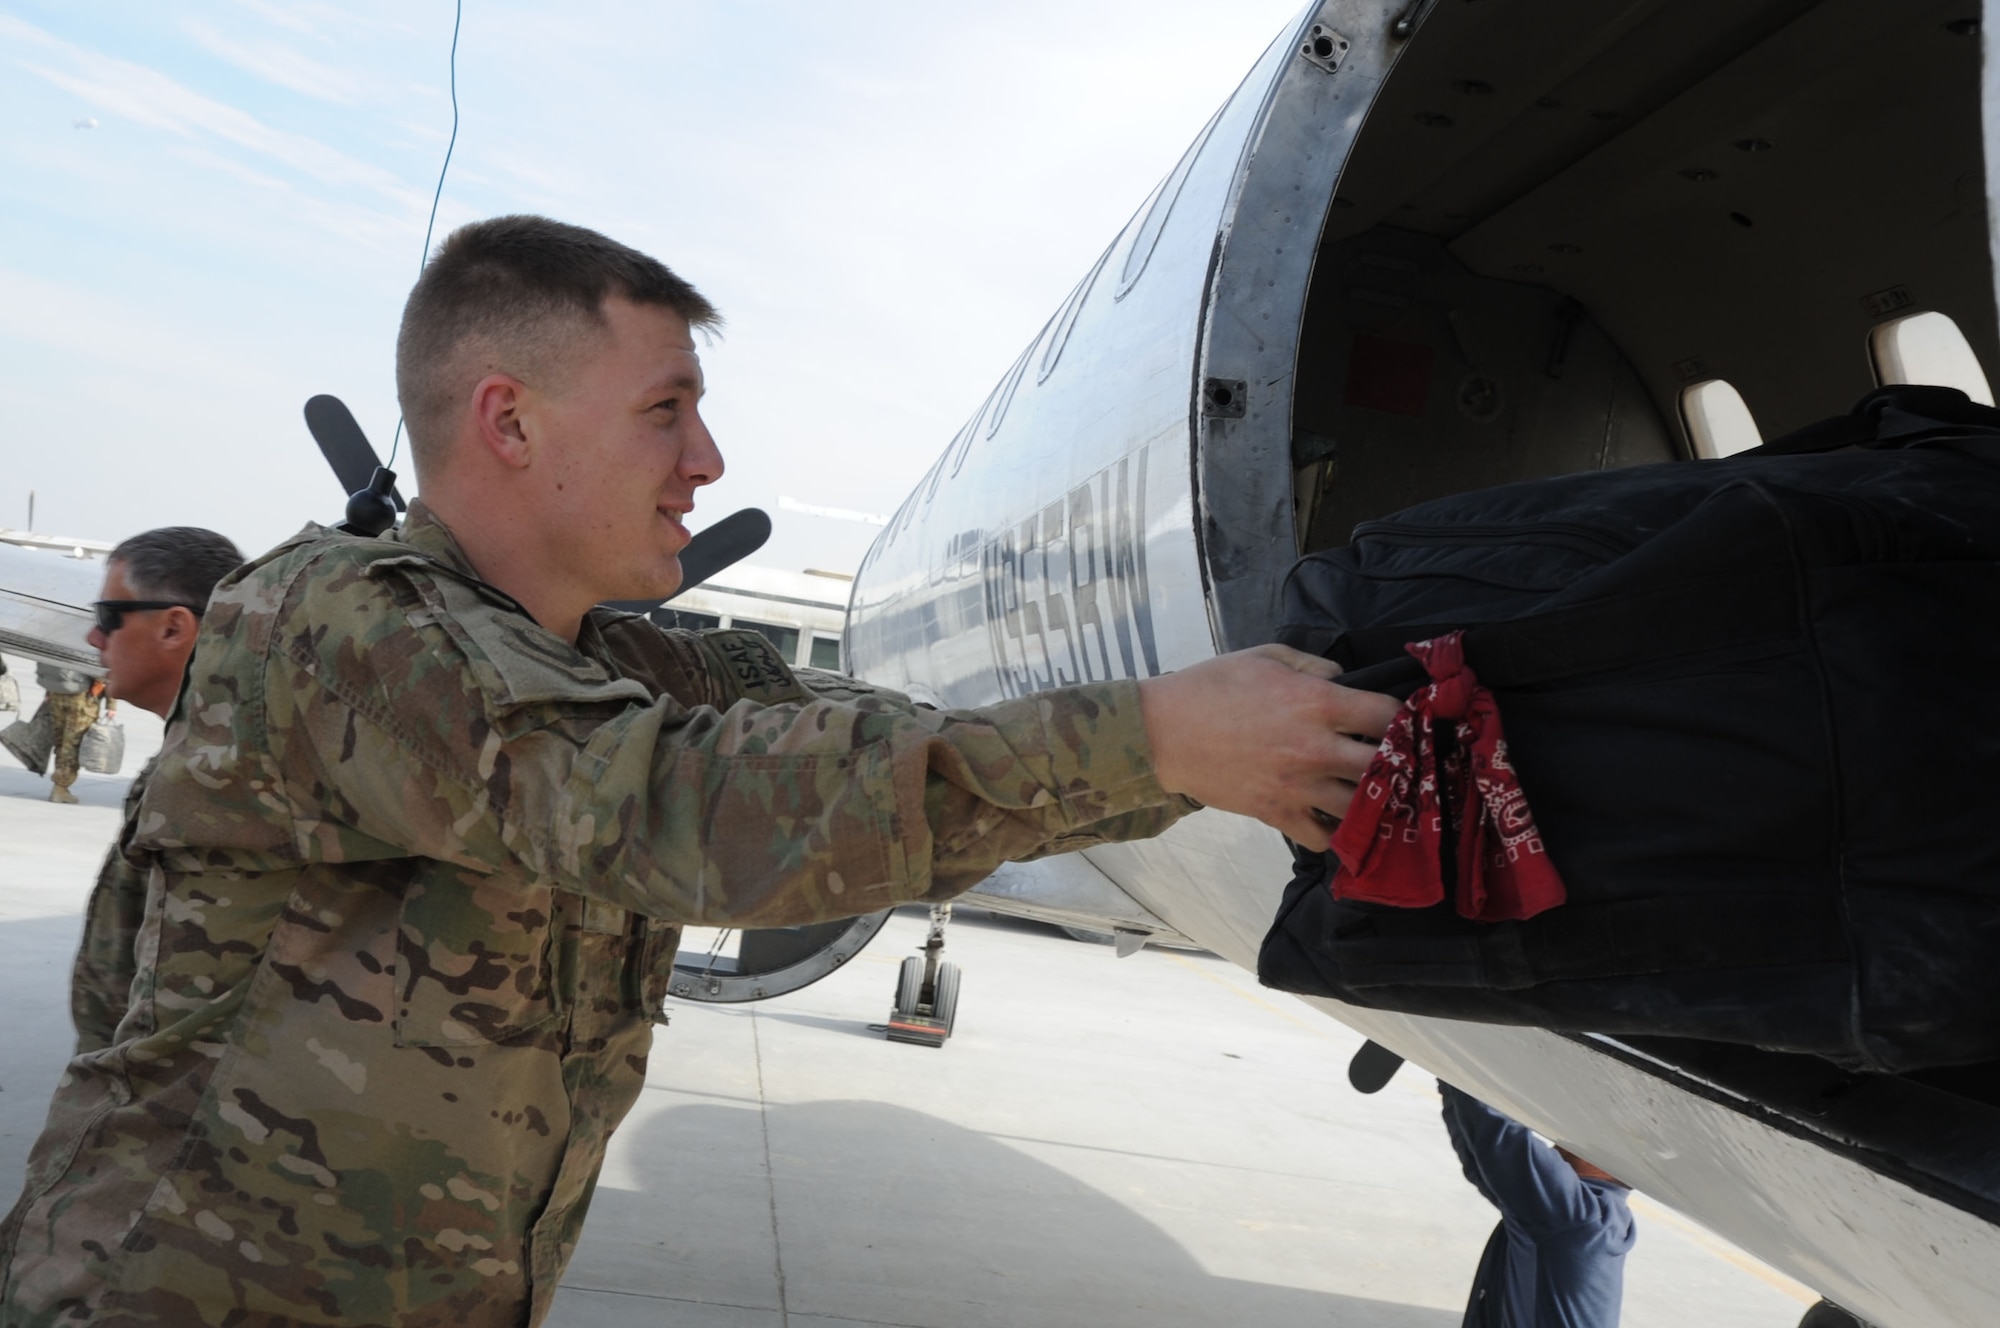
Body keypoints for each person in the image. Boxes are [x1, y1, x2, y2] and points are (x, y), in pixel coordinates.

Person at [0, 215, 1401, 1327]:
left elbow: (852, 746)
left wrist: (1231, 739)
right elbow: (677, 807)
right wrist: (1159, 737)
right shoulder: (338, 625)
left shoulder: (607, 663)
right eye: (666, 409)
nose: (708, 459)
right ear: (509, 422)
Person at [68, 526, 244, 1054]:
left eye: (109, 618)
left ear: (173, 628)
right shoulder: (192, 757)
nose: (94, 638)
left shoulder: (219, 780)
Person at [1440, 1080, 1636, 1328]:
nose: (1557, 1146)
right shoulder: (1561, 1218)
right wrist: (1448, 1078)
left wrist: (1460, 1071)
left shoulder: (1576, 1219)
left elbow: (1501, 1144)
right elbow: (1481, 1163)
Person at [0, 663, 96, 803]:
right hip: (81, 697)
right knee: (72, 745)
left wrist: (49, 691)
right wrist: (111, 703)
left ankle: (60, 786)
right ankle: (61, 788)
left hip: (57, 692)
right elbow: (104, 669)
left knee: (61, 742)